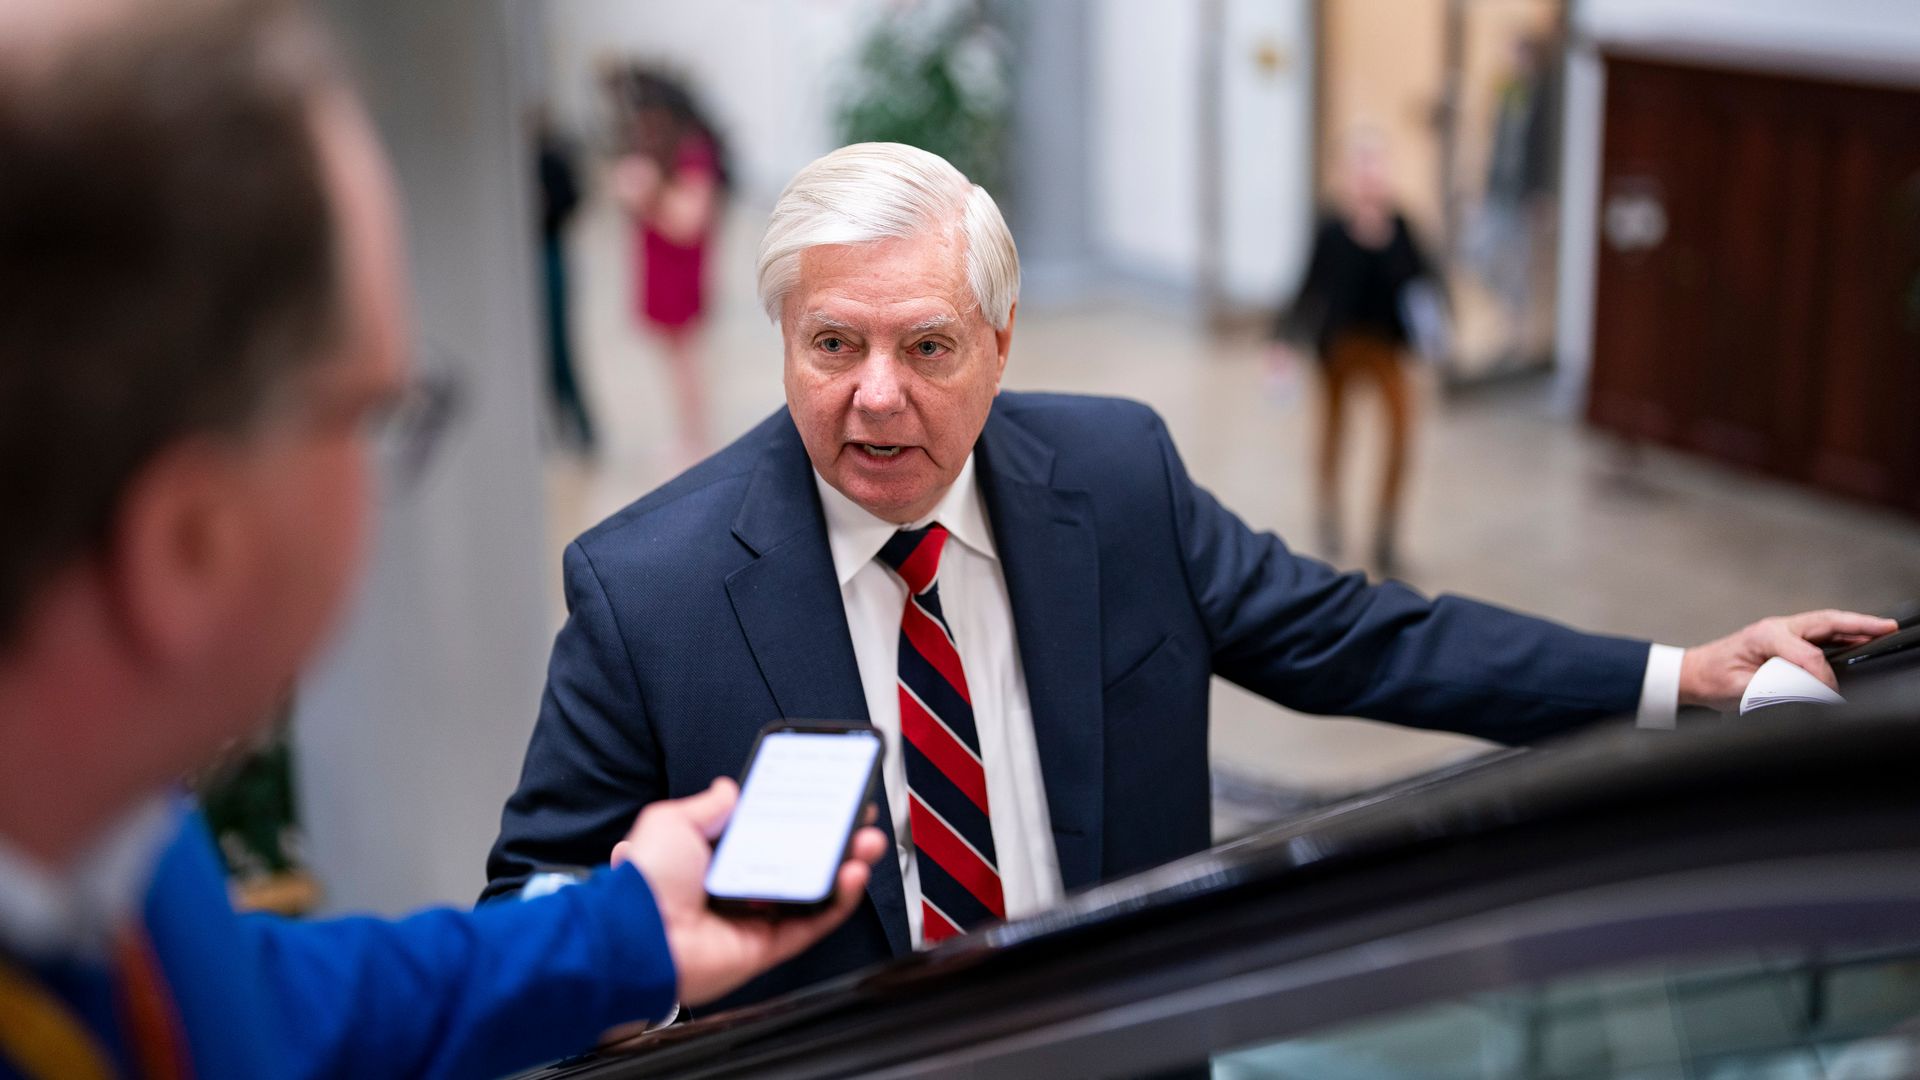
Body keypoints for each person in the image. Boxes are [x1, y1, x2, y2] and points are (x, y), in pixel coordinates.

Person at [484, 141, 1894, 1012]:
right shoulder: (646, 587)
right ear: (783, 337)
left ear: (1003, 341)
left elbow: (1362, 639)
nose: (876, 400)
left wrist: (1678, 676)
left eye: (926, 348)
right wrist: (600, 974)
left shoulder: (1116, 480)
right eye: (833, 346)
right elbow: (528, 898)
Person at [0, 2, 881, 1077]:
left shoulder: (109, 832)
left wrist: (619, 936)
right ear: (189, 543)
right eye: (378, 413)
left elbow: (253, 1004)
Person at [1272, 129, 1443, 576]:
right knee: (1334, 432)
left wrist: (1440, 333)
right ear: (1347, 174)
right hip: (1339, 348)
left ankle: (1385, 534)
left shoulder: (1402, 226)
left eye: (1377, 165)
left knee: (1403, 435)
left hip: (1387, 348)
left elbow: (1424, 285)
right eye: (1361, 166)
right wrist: (1283, 339)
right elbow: (1308, 285)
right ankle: (1329, 513)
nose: (1370, 175)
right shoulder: (1331, 228)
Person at [611, 68, 727, 462]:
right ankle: (688, 433)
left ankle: (695, 437)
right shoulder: (660, 151)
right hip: (659, 266)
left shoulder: (692, 153)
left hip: (680, 270)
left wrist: (648, 192)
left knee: (686, 359)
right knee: (675, 359)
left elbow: (687, 223)